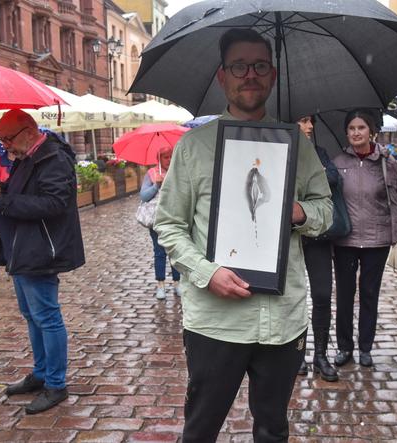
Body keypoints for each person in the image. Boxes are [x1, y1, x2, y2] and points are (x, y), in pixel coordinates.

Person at [154, 29, 332, 441]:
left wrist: (300, 211)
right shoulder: (194, 147)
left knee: (273, 429)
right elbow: (168, 223)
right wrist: (205, 271)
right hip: (216, 322)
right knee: (200, 429)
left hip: (281, 318)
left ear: (272, 75)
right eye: (239, 66)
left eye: (260, 66)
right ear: (222, 77)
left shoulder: (297, 147)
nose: (249, 74)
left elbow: (327, 209)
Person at [0, 109, 85, 415]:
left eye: (8, 138)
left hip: (40, 250)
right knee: (32, 315)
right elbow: (23, 193)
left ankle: (56, 384)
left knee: (46, 317)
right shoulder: (27, 157)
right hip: (21, 248)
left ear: (29, 132)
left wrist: (2, 201)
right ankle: (41, 373)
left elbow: (55, 203)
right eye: (2, 138)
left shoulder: (52, 159)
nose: (5, 145)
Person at [331, 110, 397, 368]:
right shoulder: (338, 161)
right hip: (346, 241)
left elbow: (396, 199)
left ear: (371, 131)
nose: (356, 132)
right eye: (351, 128)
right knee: (344, 295)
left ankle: (365, 347)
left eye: (361, 127)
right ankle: (344, 347)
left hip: (377, 240)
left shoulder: (386, 162)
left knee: (369, 294)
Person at [296, 115, 338, 382]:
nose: (310, 127)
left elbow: (334, 177)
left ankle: (320, 355)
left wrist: (317, 173)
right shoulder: (281, 150)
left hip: (319, 238)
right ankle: (296, 354)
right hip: (292, 239)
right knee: (295, 297)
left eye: (311, 121)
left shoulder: (319, 152)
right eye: (303, 121)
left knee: (322, 295)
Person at [139, 145, 182, 300]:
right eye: (165, 157)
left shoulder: (178, 172)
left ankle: (178, 283)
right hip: (156, 219)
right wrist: (156, 185)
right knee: (159, 252)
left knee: (175, 251)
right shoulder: (151, 173)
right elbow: (143, 196)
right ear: (159, 159)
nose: (169, 160)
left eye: (171, 156)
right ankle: (161, 285)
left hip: (174, 217)